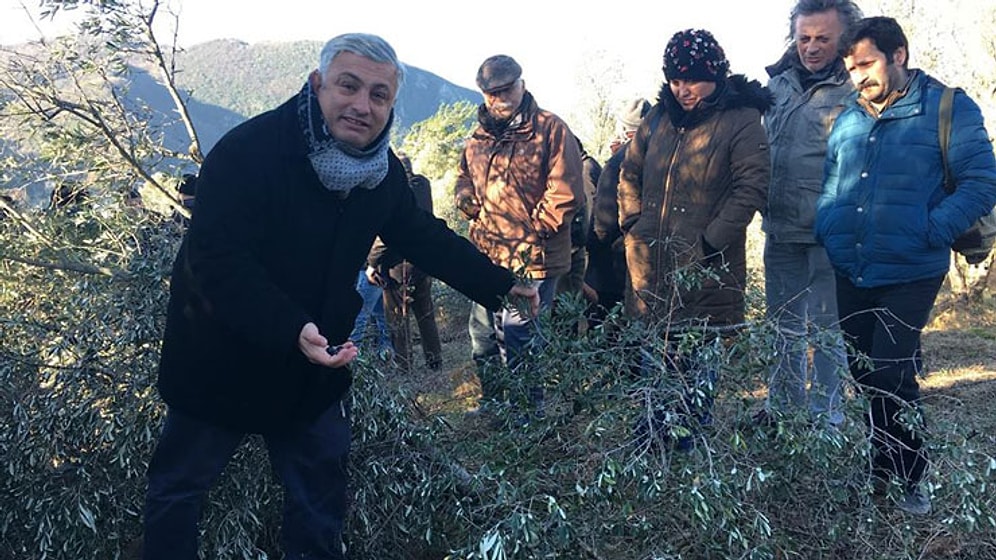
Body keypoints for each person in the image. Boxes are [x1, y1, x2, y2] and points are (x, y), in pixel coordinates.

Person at [142, 33, 539, 560]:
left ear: (391, 104)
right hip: (220, 354)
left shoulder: (381, 174)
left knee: (318, 497)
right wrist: (290, 327)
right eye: (348, 86)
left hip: (314, 362)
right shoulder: (247, 153)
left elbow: (420, 234)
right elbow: (216, 261)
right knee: (179, 491)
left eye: (379, 95)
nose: (362, 105)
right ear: (317, 84)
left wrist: (497, 281)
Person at [816, 16, 996, 515]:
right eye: (851, 68)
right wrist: (828, 226)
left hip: (912, 269)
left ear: (898, 55)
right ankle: (879, 471)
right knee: (864, 372)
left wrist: (930, 230)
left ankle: (911, 478)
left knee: (893, 373)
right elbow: (832, 180)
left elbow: (982, 181)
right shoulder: (849, 118)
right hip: (851, 265)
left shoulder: (947, 107)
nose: (858, 76)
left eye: (867, 63)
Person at [618, 29, 771, 449]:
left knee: (698, 356)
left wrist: (710, 242)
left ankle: (689, 440)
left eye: (693, 79)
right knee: (655, 352)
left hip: (705, 264)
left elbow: (751, 188)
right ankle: (653, 428)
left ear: (717, 74)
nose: (683, 90)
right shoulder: (658, 118)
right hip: (649, 261)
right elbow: (628, 171)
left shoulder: (741, 120)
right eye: (675, 79)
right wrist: (632, 222)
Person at [455, 54, 583, 415]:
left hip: (534, 258)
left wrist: (536, 231)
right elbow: (463, 177)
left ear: (522, 85)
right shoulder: (477, 138)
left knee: (520, 335)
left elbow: (567, 191)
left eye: (506, 89)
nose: (499, 97)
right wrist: (466, 200)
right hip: (488, 255)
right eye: (491, 92)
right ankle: (495, 402)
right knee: (482, 331)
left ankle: (527, 413)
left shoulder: (550, 128)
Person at [759, 0, 864, 427]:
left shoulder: (856, 89)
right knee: (781, 328)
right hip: (781, 229)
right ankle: (783, 413)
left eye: (823, 38)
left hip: (829, 234)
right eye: (804, 38)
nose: (812, 47)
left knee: (826, 332)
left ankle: (827, 420)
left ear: (844, 39)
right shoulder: (777, 86)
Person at [367, 153, 443, 372]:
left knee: (398, 319)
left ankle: (404, 366)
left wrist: (372, 262)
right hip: (423, 259)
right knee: (425, 312)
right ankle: (434, 360)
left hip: (395, 266)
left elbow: (384, 238)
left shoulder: (392, 191)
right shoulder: (423, 184)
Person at [584, 97, 651, 322]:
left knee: (607, 338)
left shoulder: (618, 163)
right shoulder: (662, 158)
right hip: (649, 266)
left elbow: (604, 221)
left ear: (624, 129)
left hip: (611, 270)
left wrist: (590, 245)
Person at [557, 135, 602, 298]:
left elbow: (589, 209)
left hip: (580, 245)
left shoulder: (584, 170)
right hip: (578, 244)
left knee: (572, 296)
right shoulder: (583, 168)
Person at [349, 260, 394, 360]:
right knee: (382, 315)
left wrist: (371, 266)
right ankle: (386, 355)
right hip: (382, 270)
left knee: (359, 314)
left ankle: (353, 357)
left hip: (371, 271)